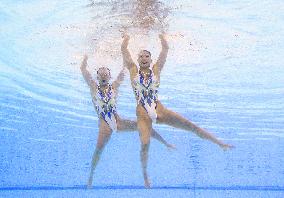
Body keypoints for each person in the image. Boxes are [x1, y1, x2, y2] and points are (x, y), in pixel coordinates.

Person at [121, 34, 234, 188]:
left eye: (146, 55)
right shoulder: (133, 69)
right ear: (138, 59)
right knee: (145, 143)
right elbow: (124, 51)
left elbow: (165, 50)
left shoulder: (156, 69)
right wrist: (126, 39)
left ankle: (220, 143)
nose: (143, 58)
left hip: (159, 108)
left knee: (191, 126)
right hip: (142, 113)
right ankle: (146, 176)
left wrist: (162, 36)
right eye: (140, 56)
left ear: (151, 58)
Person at [80, 55, 174, 188]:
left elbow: (124, 71)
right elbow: (83, 70)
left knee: (143, 126)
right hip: (104, 125)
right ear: (97, 76)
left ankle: (165, 143)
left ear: (109, 76)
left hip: (118, 122)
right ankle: (91, 176)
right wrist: (85, 58)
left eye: (105, 73)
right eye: (100, 74)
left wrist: (126, 59)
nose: (103, 75)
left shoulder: (114, 86)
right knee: (98, 150)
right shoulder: (93, 87)